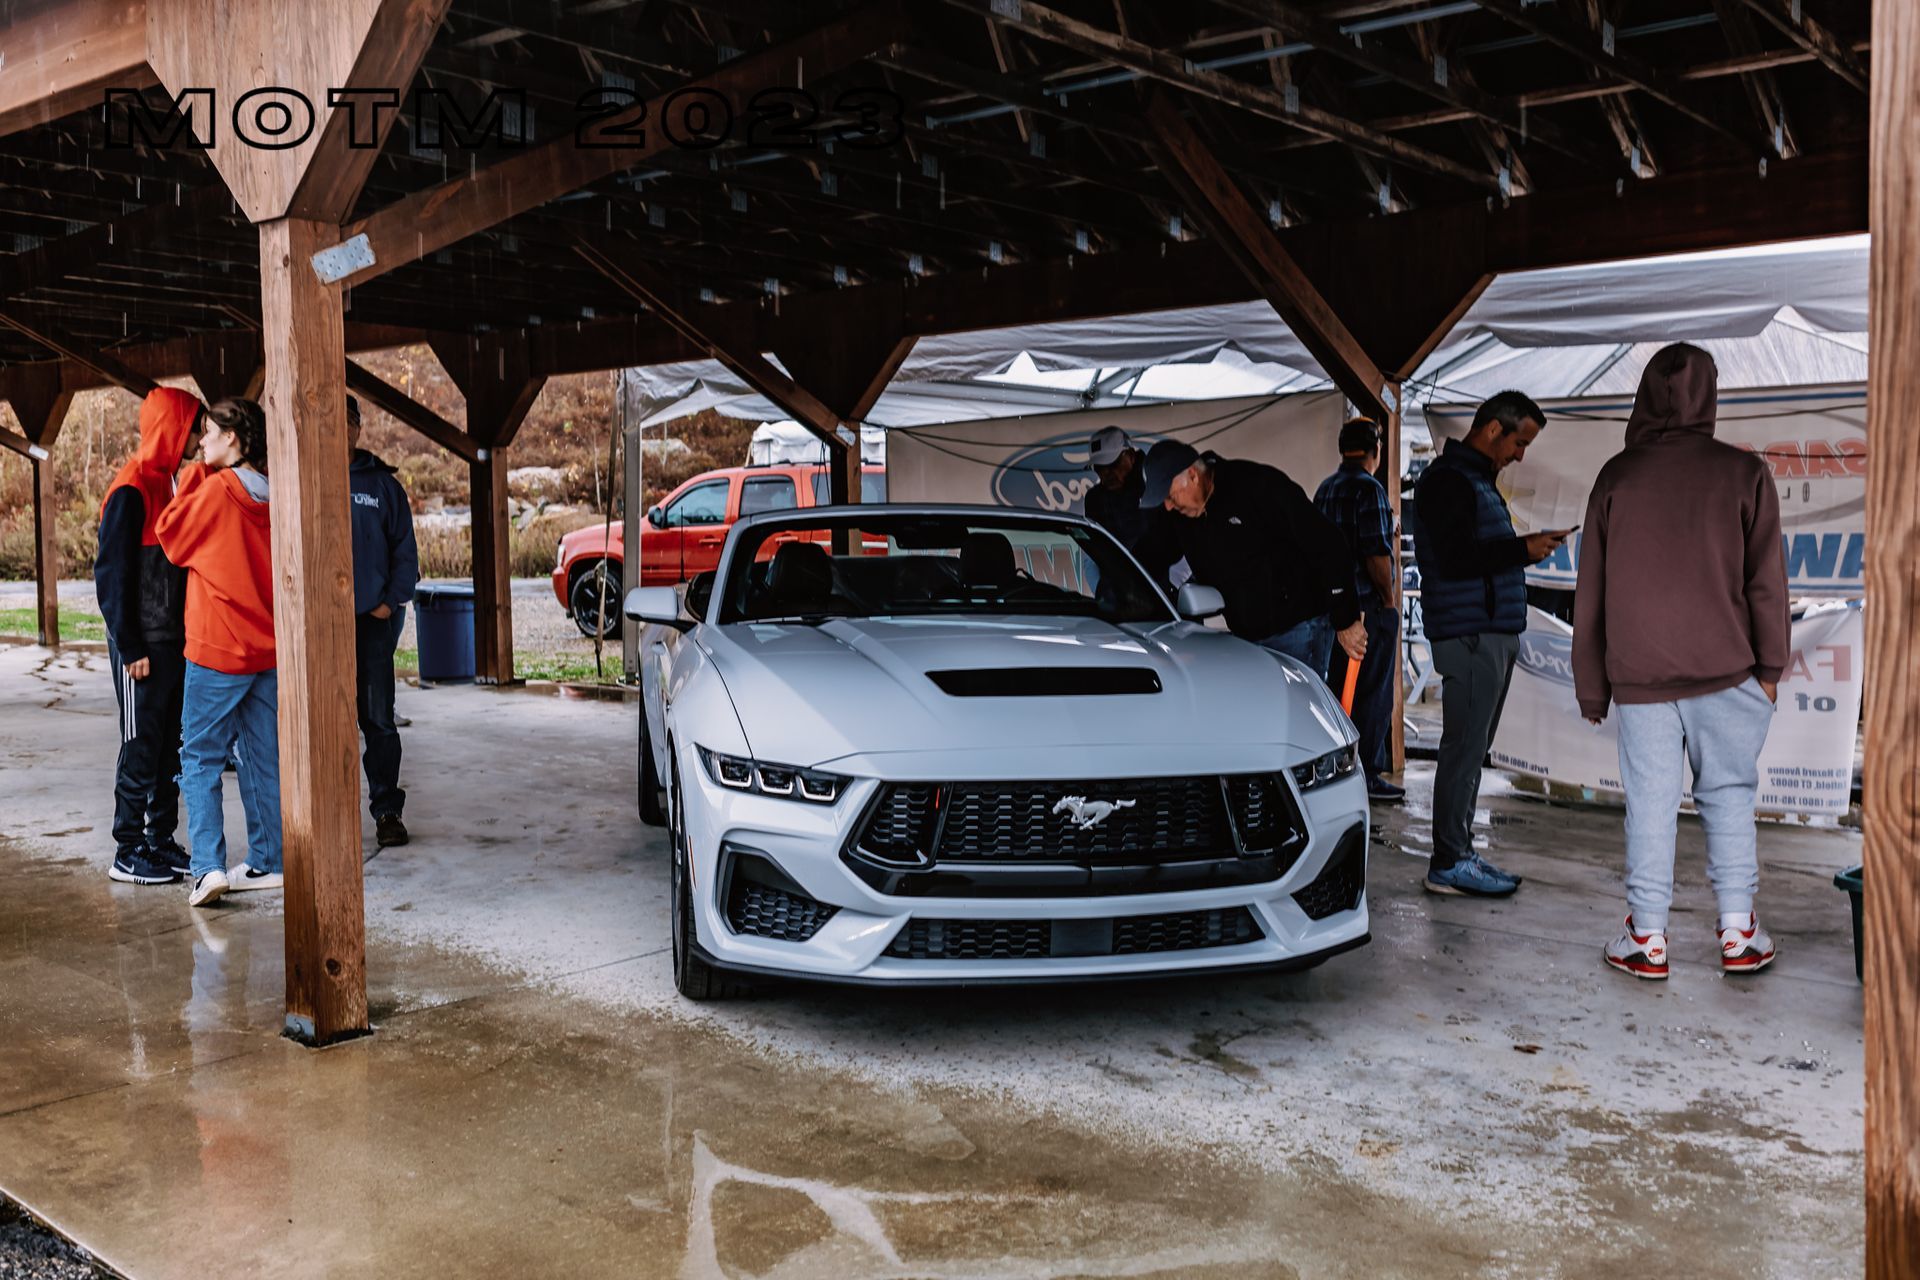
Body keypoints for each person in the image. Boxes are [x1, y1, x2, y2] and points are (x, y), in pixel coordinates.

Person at [1573, 344, 1788, 979]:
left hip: (1640, 677)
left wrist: (1592, 688)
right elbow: (1766, 583)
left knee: (1650, 801)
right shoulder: (1743, 473)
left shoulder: (1617, 477)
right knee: (1728, 795)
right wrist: (1770, 670)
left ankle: (1647, 938)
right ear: (1710, 396)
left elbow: (1592, 591)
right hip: (1727, 671)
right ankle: (1738, 933)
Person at [1412, 390, 1569, 898]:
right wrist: (1522, 550)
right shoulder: (1449, 480)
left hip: (1485, 631)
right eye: (1519, 443)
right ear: (1494, 429)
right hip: (1470, 634)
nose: (1520, 456)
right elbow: (1457, 558)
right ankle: (1447, 861)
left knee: (1472, 749)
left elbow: (1476, 552)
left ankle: (1459, 850)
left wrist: (1521, 551)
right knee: (1463, 749)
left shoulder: (1475, 481)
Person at [155, 398, 281, 908]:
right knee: (261, 756)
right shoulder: (272, 491)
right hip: (265, 648)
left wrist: (191, 478)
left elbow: (170, 536)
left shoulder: (213, 490)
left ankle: (207, 867)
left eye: (208, 432)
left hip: (217, 648)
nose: (201, 442)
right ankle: (269, 860)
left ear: (233, 437)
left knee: (199, 757)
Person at [94, 387, 204, 885]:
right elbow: (111, 576)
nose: (199, 438)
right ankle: (127, 848)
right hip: (141, 646)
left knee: (167, 747)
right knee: (140, 744)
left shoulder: (168, 482)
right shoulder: (131, 488)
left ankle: (160, 838)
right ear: (173, 429)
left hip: (172, 642)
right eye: (195, 428)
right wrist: (130, 646)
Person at [1136, 440, 1364, 678]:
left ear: (1193, 475)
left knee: (1298, 701)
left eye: (1170, 496)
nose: (1168, 506)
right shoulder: (1180, 517)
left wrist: (1345, 618)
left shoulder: (1255, 485)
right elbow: (1149, 557)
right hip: (1245, 639)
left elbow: (1326, 542)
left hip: (1299, 630)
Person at [1315, 418, 1404, 803]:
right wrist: (1389, 601)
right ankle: (1365, 776)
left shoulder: (1325, 489)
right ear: (1376, 451)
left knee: (1338, 694)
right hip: (1368, 609)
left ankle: (1338, 771)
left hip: (1333, 613)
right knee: (1372, 695)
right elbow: (1376, 555)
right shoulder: (1370, 490)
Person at [347, 395, 419, 848]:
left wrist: (390, 603)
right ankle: (325, 815)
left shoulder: (383, 486)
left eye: (347, 421)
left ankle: (387, 810)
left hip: (371, 624)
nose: (339, 429)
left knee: (378, 721)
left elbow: (405, 553)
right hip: (320, 630)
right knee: (324, 723)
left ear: (357, 427)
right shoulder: (303, 479)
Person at [1083, 426, 1151, 552]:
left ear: (1131, 455)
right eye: (1099, 468)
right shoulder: (1095, 499)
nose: (1106, 473)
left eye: (1112, 464)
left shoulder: (1154, 485)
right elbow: (1096, 548)